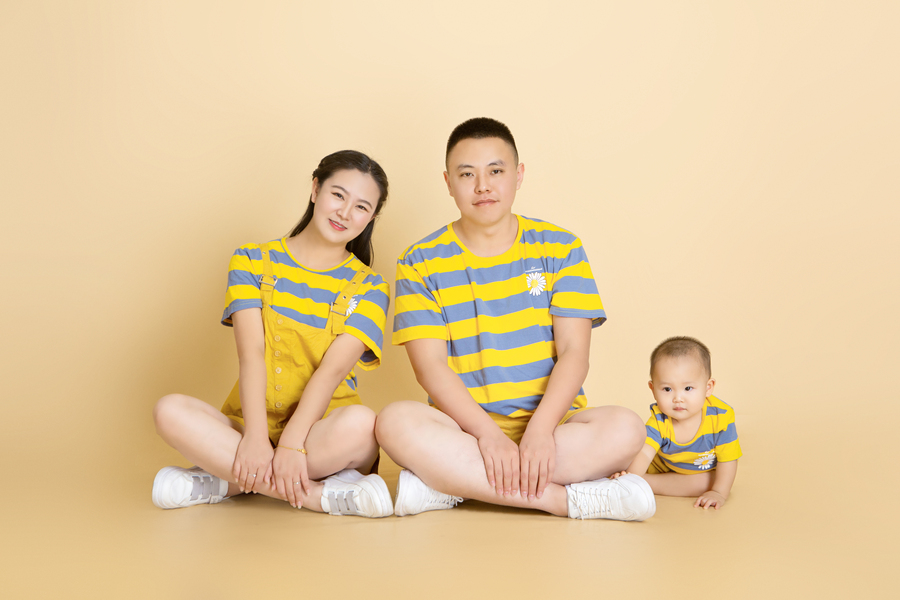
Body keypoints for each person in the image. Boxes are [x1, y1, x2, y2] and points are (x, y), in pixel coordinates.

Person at [376, 118, 656, 520]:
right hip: (464, 433)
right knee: (393, 423)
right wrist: (488, 436)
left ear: (518, 175)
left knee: (628, 429)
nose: (482, 186)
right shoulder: (419, 261)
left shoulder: (561, 248)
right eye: (467, 174)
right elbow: (430, 367)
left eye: (496, 171)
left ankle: (450, 485)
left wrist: (540, 432)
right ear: (448, 182)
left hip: (555, 430)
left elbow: (574, 353)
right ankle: (564, 501)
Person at [152, 150, 394, 518]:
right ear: (315, 189)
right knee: (169, 411)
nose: (345, 213)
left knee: (363, 426)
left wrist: (293, 444)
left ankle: (223, 482)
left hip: (321, 435)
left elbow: (330, 373)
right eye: (338, 195)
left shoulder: (372, 287)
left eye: (361, 207)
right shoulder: (251, 260)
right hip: (248, 426)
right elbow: (251, 353)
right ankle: (318, 495)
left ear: (371, 218)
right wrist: (253, 437)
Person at [611, 336, 741, 509]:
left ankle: (645, 482)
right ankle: (635, 481)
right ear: (653, 389)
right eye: (667, 389)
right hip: (660, 469)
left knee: (710, 482)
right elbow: (645, 454)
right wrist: (629, 479)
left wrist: (719, 492)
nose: (678, 398)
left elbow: (729, 459)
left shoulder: (721, 417)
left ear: (708, 387)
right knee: (624, 455)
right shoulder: (659, 419)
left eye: (688, 388)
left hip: (698, 475)